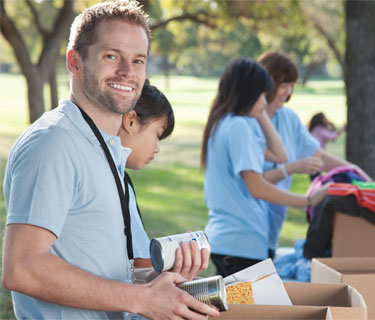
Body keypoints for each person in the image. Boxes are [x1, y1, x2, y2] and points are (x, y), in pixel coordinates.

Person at [2, 2, 219, 319]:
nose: (128, 73)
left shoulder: (102, 146)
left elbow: (101, 268)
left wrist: (159, 285)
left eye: (138, 60)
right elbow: (23, 268)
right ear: (75, 62)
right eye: (111, 56)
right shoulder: (55, 142)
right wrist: (141, 300)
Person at [201, 58, 329, 277]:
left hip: (231, 242)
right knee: (250, 312)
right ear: (248, 93)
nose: (265, 101)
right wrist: (308, 201)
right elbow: (257, 187)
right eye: (261, 95)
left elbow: (281, 155)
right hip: (240, 243)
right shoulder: (239, 127)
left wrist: (260, 112)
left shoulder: (224, 122)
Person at [256, 50, 372, 256]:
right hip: (246, 233)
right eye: (283, 85)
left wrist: (358, 174)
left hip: (271, 229)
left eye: (291, 85)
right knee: (243, 289)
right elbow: (252, 183)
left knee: (260, 287)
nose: (288, 92)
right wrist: (292, 169)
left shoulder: (288, 118)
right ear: (267, 83)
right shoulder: (245, 123)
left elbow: (320, 156)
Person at [118, 80, 209, 281]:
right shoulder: (106, 181)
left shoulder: (122, 180)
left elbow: (135, 263)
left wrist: (171, 264)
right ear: (131, 121)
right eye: (157, 134)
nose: (157, 148)